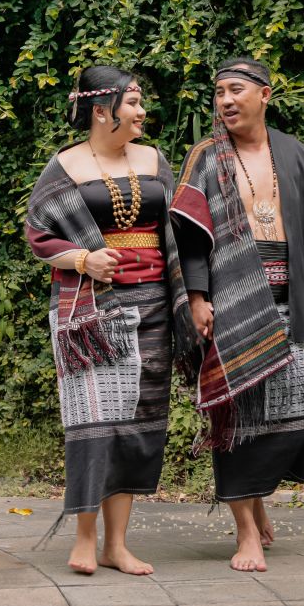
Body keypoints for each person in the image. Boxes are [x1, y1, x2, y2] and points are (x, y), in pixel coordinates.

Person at [170, 57, 304, 572]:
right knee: (240, 419)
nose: (225, 100)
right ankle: (245, 530)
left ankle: (257, 500)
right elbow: (190, 237)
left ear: (265, 95)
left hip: (288, 293)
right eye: (219, 92)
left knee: (301, 412)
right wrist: (197, 297)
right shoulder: (206, 156)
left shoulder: (292, 152)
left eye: (236, 90)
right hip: (230, 298)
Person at [25, 65, 197, 575]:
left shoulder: (154, 160)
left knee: (139, 422)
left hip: (154, 306)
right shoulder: (65, 165)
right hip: (92, 312)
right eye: (134, 102)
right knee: (94, 420)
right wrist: (83, 259)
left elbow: (175, 232)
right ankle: (84, 539)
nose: (143, 112)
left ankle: (116, 545)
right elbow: (38, 233)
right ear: (102, 111)